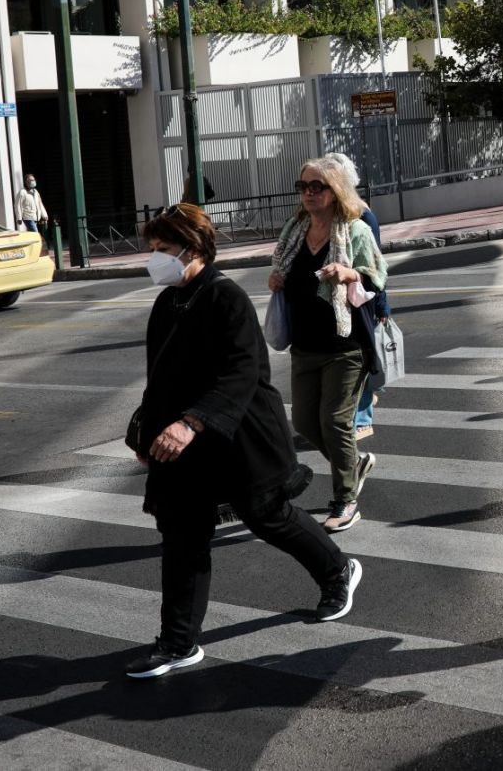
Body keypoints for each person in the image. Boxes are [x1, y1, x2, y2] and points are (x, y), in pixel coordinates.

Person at [126, 203, 361, 680]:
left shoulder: (225, 297)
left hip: (240, 433)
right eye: (153, 249)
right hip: (186, 440)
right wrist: (147, 432)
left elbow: (241, 372)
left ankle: (338, 571)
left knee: (267, 516)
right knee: (183, 534)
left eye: (163, 249)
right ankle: (178, 642)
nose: (155, 259)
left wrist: (190, 423)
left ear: (193, 249)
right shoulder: (168, 301)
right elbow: (161, 377)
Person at [268, 157, 387, 533]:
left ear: (335, 191)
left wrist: (348, 272)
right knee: (305, 422)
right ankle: (352, 464)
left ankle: (345, 500)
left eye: (316, 186)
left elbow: (377, 276)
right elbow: (283, 265)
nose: (308, 193)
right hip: (304, 344)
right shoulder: (295, 228)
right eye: (302, 186)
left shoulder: (355, 230)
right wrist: (276, 278)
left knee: (334, 422)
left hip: (344, 345)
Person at [325, 152, 391, 440]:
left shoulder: (363, 216)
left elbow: (375, 266)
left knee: (360, 360)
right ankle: (362, 404)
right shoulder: (332, 214)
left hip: (361, 299)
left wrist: (382, 306)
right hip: (339, 302)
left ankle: (363, 419)